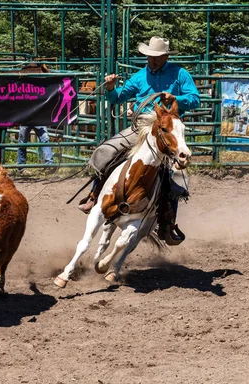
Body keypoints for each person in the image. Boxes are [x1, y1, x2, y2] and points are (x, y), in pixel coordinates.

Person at [78, 36, 200, 244]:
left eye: (157, 57)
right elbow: (117, 98)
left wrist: (175, 99)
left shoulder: (180, 74)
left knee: (175, 176)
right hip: (142, 126)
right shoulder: (139, 76)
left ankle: (167, 223)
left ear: (165, 57)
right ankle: (94, 194)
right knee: (106, 151)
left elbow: (195, 99)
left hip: (166, 130)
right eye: (149, 57)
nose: (152, 61)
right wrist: (110, 88)